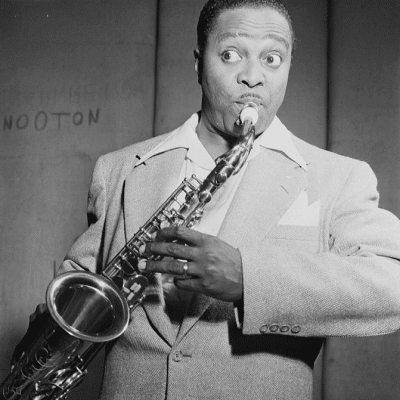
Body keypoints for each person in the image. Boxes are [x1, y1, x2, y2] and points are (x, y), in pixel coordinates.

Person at [26, 0, 400, 399]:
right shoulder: (118, 169)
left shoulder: (338, 177)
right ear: (198, 64)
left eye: (272, 58)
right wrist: (45, 338)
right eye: (230, 55)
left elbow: (391, 287)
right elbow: (80, 289)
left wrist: (248, 278)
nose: (253, 77)